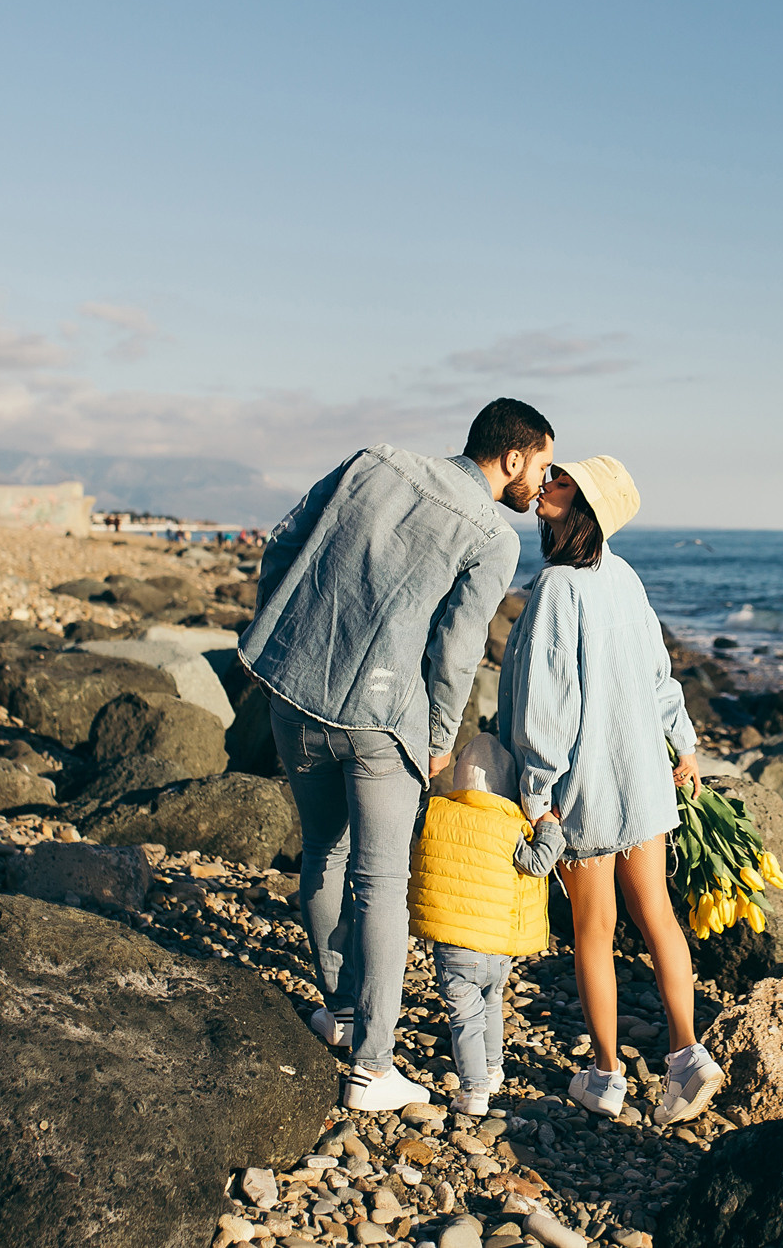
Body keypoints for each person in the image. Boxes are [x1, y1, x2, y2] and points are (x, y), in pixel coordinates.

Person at [238, 397, 552, 1112]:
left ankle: (343, 1013)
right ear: (512, 457)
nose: (543, 480)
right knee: (382, 881)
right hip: (383, 719)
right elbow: (458, 651)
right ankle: (371, 1068)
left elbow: (283, 542)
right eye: (543, 464)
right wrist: (441, 739)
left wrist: (282, 631)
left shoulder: (372, 462)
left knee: (322, 848)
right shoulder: (492, 536)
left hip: (296, 688)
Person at [498, 455, 726, 1125]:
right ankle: (687, 1056)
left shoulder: (558, 587)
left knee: (596, 929)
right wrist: (683, 744)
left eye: (562, 483)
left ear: (586, 507)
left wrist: (537, 793)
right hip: (641, 775)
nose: (547, 486)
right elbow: (660, 675)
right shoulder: (625, 578)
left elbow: (545, 703)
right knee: (656, 913)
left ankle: (605, 1075)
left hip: (588, 783)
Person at [407, 734, 565, 1115]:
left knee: (465, 1018)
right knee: (492, 1004)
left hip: (456, 946)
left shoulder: (433, 813)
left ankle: (475, 1091)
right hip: (498, 947)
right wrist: (549, 825)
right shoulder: (511, 826)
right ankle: (493, 1069)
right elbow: (539, 864)